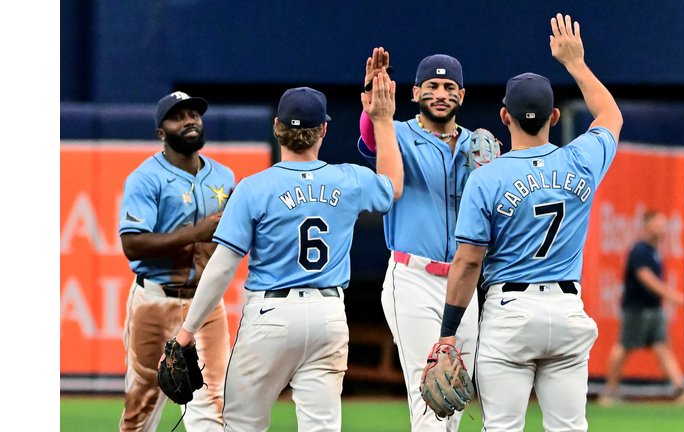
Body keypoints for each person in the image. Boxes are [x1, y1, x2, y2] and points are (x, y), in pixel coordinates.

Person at [170, 74, 403, 431]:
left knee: (242, 425)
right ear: (323, 130)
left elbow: (221, 268)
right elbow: (393, 187)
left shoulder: (254, 188)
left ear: (277, 127)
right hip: (328, 314)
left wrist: (186, 332)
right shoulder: (349, 179)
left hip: (272, 314)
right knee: (321, 427)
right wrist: (383, 120)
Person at [433, 14, 623, 432]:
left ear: (505, 117)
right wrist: (575, 63)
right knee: (570, 427)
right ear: (554, 117)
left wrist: (448, 334)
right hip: (568, 310)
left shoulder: (487, 177)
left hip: (511, 313)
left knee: (502, 427)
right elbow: (610, 115)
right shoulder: (581, 159)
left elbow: (467, 262)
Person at [357, 48, 480, 432]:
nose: (441, 93)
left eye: (449, 86)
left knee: (456, 393)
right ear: (414, 92)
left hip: (464, 282)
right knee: (429, 391)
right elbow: (369, 136)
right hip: (413, 277)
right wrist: (374, 109)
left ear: (462, 94)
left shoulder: (478, 145)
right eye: (432, 85)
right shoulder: (397, 131)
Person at [118, 91, 233, 432]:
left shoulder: (224, 176)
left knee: (213, 407)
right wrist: (195, 233)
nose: (189, 121)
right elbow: (132, 244)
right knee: (142, 406)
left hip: (206, 303)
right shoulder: (146, 178)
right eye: (178, 116)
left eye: (194, 114)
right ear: (161, 132)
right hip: (155, 300)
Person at [598, 210, 684, 407]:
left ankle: (680, 389)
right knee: (623, 347)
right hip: (637, 308)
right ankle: (610, 391)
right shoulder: (640, 250)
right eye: (658, 223)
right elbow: (645, 277)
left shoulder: (654, 251)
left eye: (664, 224)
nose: (663, 228)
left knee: (662, 346)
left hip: (653, 308)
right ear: (647, 226)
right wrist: (671, 295)